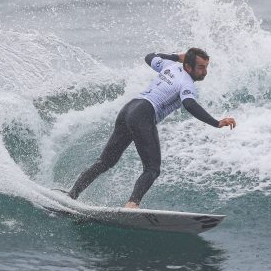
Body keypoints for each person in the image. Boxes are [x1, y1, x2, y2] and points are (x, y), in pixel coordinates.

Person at [67, 48, 236, 208]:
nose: (205, 72)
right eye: (200, 67)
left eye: (206, 67)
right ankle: (132, 205)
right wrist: (216, 122)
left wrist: (176, 56)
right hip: (144, 114)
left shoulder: (170, 66)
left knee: (105, 162)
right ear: (188, 66)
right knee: (152, 169)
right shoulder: (187, 84)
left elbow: (150, 57)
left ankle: (72, 194)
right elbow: (190, 104)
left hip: (128, 109)